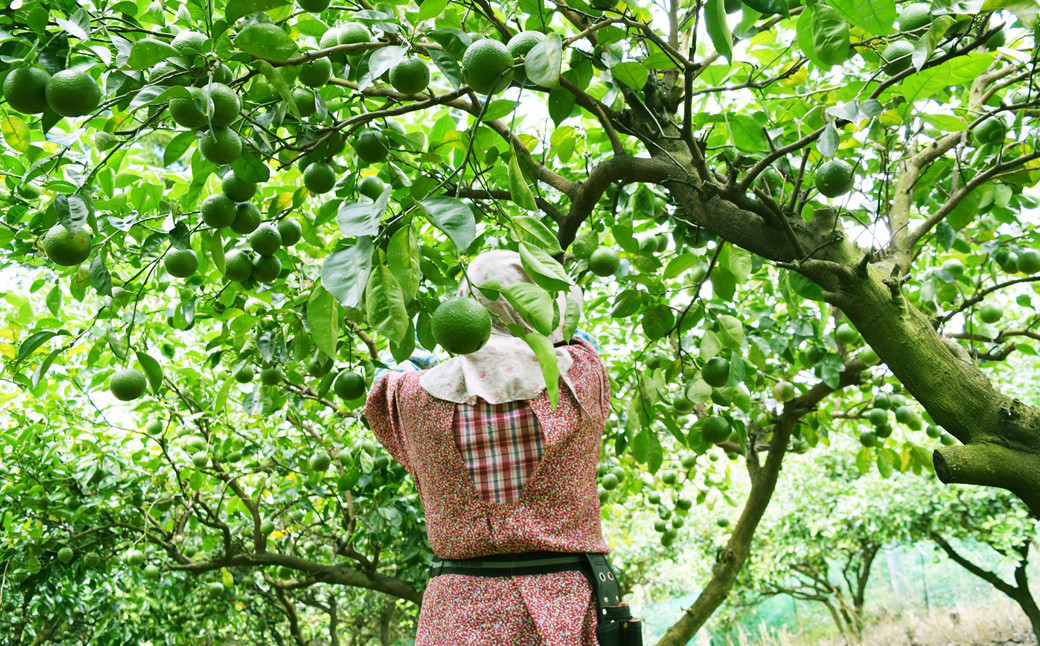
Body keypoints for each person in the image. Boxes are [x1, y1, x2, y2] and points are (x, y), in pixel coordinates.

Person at [365, 250, 616, 645]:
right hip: (567, 605)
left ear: (467, 302)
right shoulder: (582, 377)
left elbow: (390, 383)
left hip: (456, 614)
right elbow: (573, 337)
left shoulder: (405, 396)